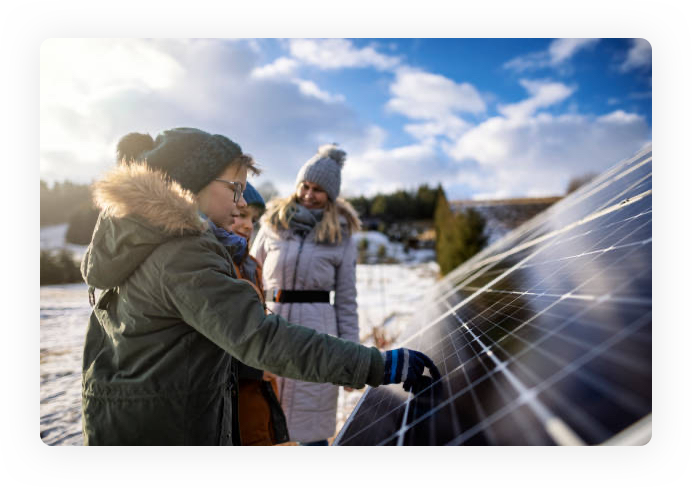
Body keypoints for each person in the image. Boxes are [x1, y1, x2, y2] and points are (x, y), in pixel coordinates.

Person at [80, 127, 440, 446]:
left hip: (135, 416)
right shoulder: (181, 253)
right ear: (193, 183)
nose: (240, 202)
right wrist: (374, 364)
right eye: (234, 188)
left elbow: (340, 299)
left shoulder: (141, 239)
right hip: (166, 425)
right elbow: (259, 336)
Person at [249, 144, 359, 446]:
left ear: (331, 195)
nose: (309, 194)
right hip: (270, 327)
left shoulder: (342, 234)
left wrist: (351, 358)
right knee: (262, 422)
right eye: (305, 186)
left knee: (310, 426)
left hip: (318, 332)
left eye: (318, 190)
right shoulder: (272, 224)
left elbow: (347, 301)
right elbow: (250, 276)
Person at [226, 183, 289, 446]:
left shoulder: (252, 267)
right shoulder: (212, 271)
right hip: (231, 403)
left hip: (260, 395)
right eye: (239, 216)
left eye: (253, 219)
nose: (249, 226)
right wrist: (253, 368)